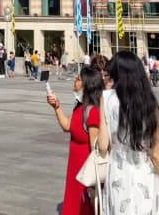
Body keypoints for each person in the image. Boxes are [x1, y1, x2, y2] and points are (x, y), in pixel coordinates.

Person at [102, 51, 159, 214]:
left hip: (118, 174)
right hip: (144, 174)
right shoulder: (148, 102)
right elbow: (156, 153)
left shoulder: (106, 98)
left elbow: (103, 145)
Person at [47, 66, 103, 215]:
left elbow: (95, 150)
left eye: (78, 79)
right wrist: (56, 107)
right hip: (75, 170)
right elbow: (67, 125)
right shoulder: (80, 108)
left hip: (86, 174)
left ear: (87, 85)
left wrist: (93, 185)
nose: (75, 80)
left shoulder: (93, 112)